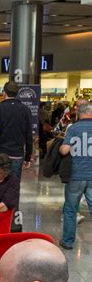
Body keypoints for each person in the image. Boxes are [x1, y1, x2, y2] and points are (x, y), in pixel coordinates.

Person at [59, 101, 92, 250]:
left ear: (79, 113)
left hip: (76, 175)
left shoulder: (74, 128)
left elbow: (64, 151)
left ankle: (68, 241)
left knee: (71, 209)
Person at [0, 81, 33, 182]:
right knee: (14, 186)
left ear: (4, 92)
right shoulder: (26, 110)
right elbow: (29, 135)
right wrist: (28, 157)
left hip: (1, 155)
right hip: (17, 155)